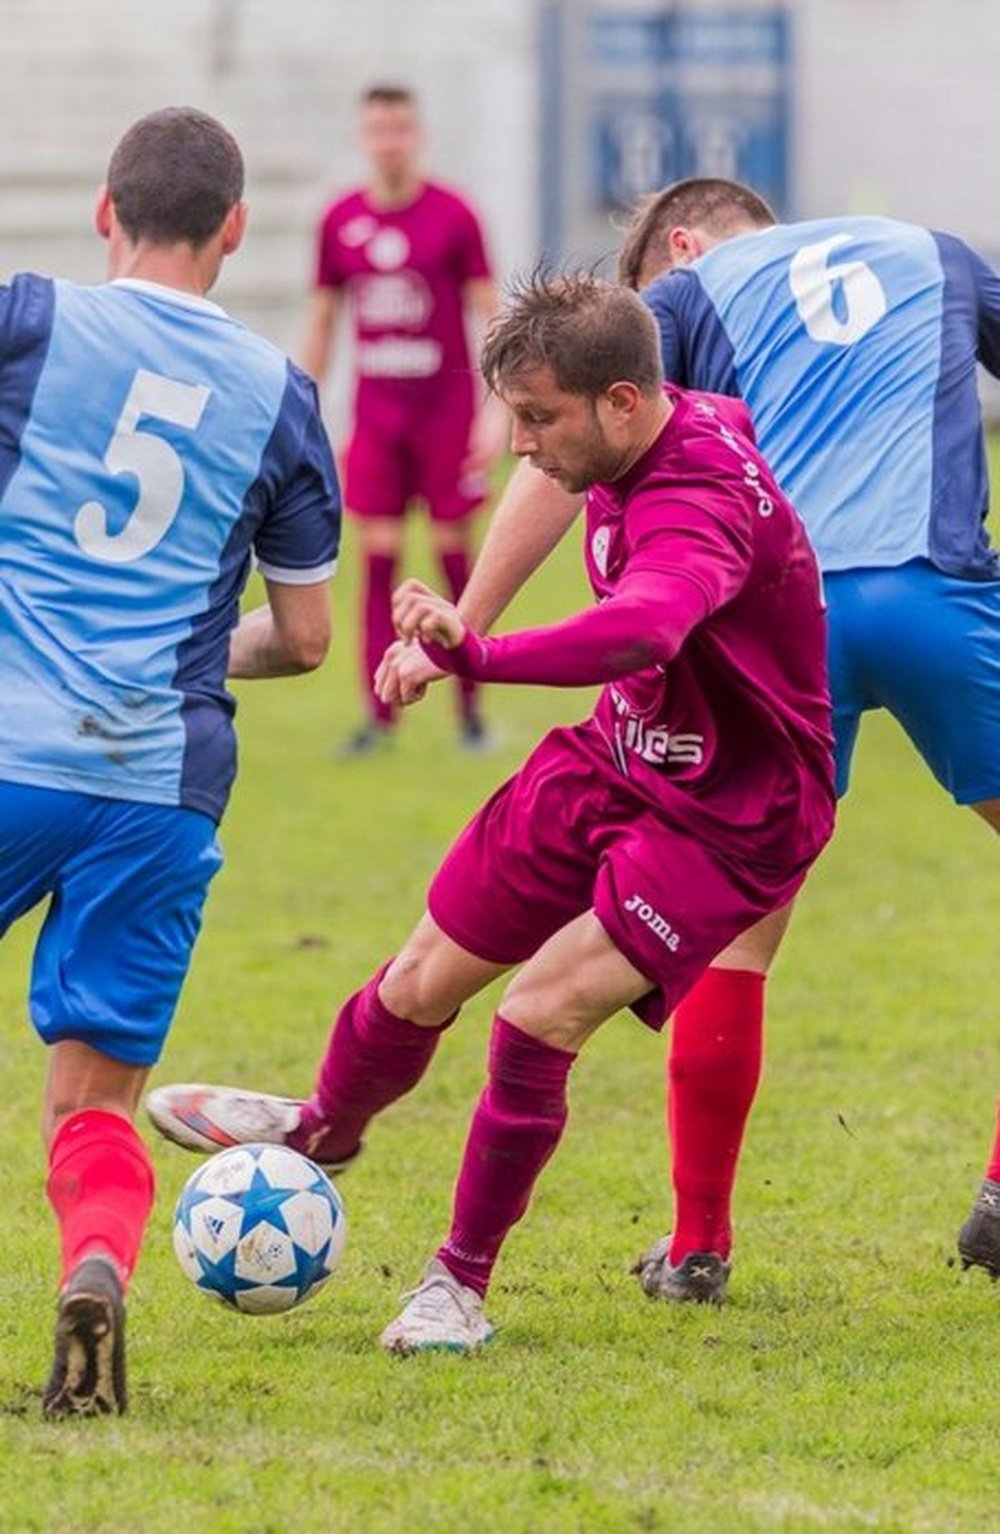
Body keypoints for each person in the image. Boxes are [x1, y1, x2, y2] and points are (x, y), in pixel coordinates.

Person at [146, 270, 835, 1351]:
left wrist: (482, 653)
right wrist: (463, 618)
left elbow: (646, 628)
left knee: (537, 1009)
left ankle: (456, 1287)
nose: (518, 444)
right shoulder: (652, 420)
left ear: (618, 402)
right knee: (420, 974)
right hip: (615, 755)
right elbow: (583, 494)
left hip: (730, 814)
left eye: (536, 417)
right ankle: (323, 1128)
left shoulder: (699, 499)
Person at [360, 180, 1000, 1299]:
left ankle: (701, 1241)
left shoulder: (692, 292)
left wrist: (472, 624)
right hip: (935, 598)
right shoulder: (932, 249)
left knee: (739, 940)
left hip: (784, 638)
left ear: (683, 249)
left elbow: (556, 465)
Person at [0, 106, 341, 1416]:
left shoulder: (29, 321)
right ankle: (93, 1261)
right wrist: (193, 653)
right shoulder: (280, 397)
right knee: (93, 1091)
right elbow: (308, 637)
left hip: (14, 747)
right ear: (235, 231)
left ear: (105, 211)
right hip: (159, 779)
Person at [303, 82, 505, 754]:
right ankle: (378, 716)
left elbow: (490, 313)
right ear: (364, 138)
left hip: (445, 417)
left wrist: (493, 411)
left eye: (400, 128)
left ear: (417, 136)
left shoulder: (453, 215)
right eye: (378, 129)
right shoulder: (340, 221)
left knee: (456, 561)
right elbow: (324, 322)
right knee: (378, 562)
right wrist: (308, 416)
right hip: (378, 422)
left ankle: (471, 713)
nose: (389, 141)